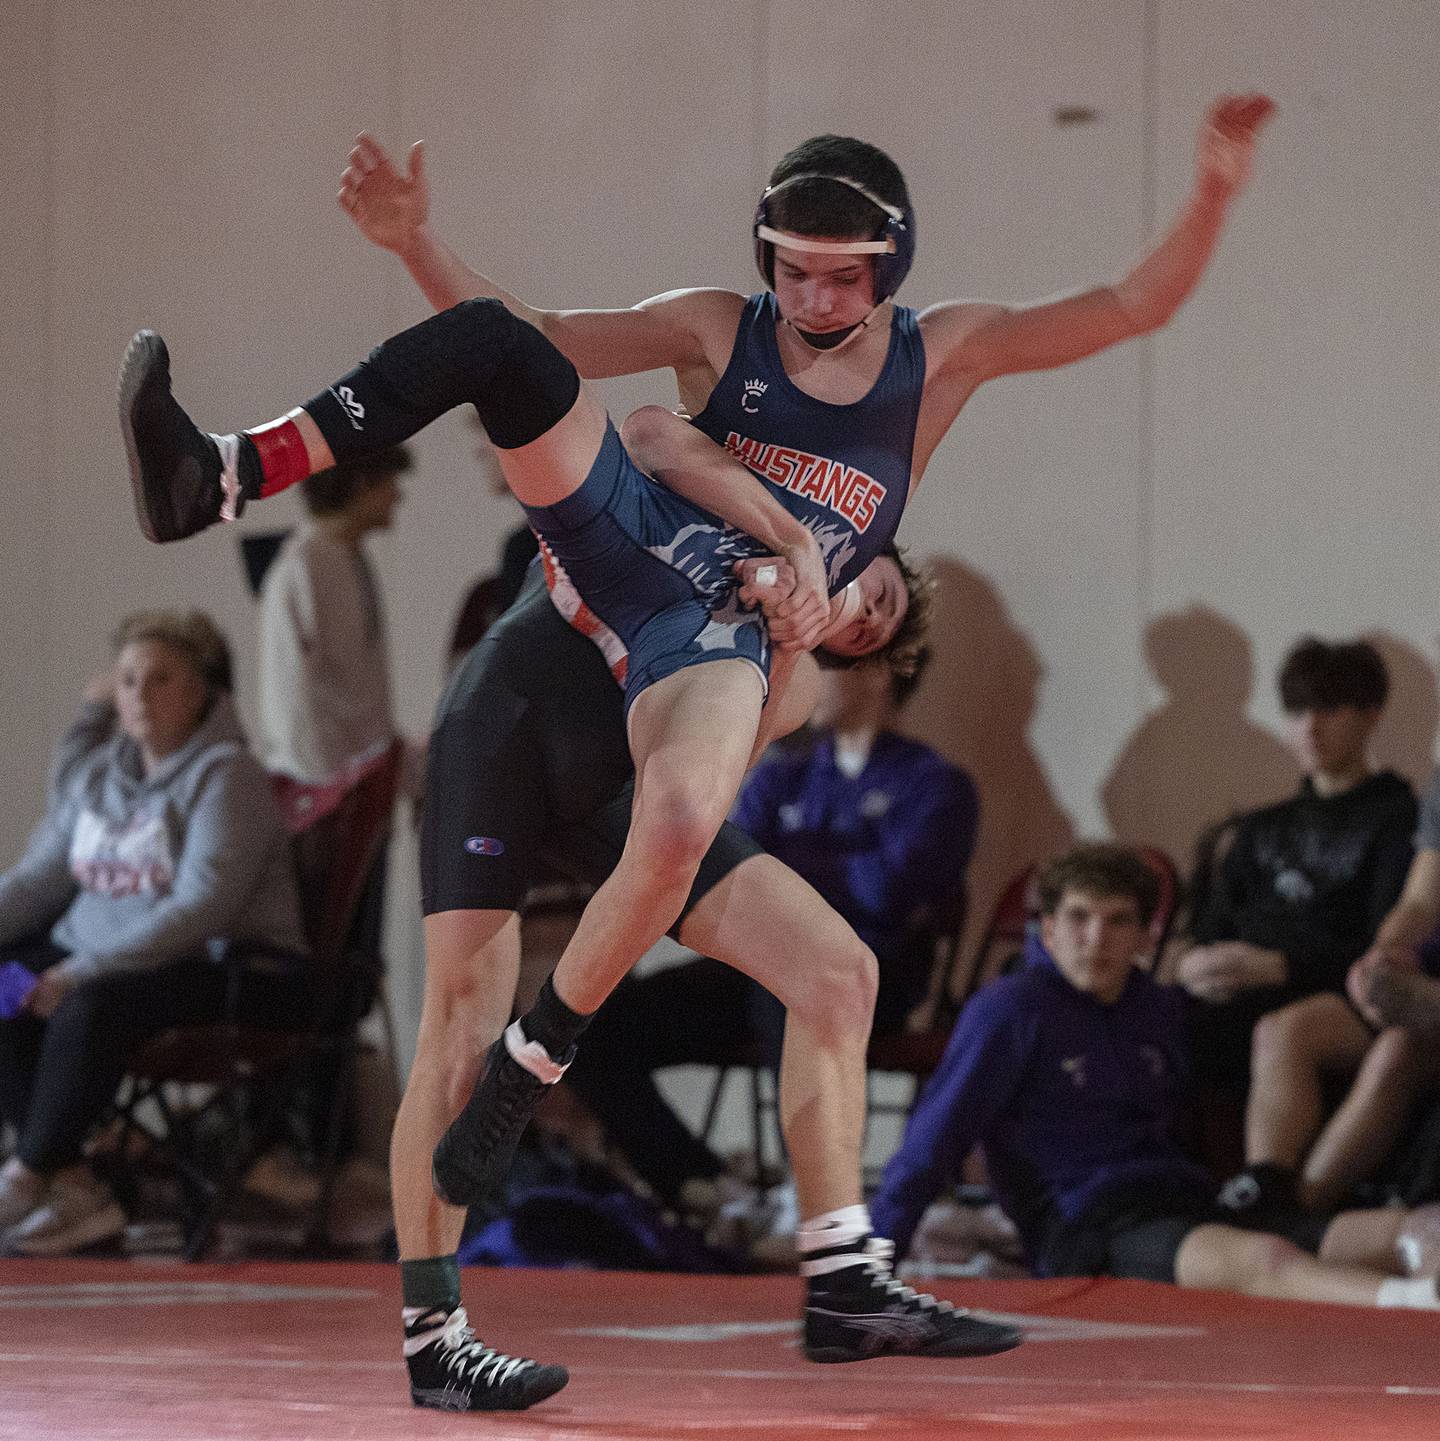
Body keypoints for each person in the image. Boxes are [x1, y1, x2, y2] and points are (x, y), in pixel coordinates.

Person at [118, 93, 1269, 1409]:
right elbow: (546, 350)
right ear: (769, 254)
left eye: (844, 278)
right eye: (796, 271)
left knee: (833, 969)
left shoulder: (901, 428)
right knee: (456, 1016)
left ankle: (838, 1275)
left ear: (891, 270)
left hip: (660, 706)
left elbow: (1126, 308)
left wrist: (1215, 199)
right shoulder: (722, 328)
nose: (817, 299)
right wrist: (415, 247)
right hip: (535, 689)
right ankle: (438, 1333)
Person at [869, 844, 1440, 1311]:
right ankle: (1416, 1303)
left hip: (1183, 1199)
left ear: (1146, 936)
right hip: (1087, 1223)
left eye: (1118, 921)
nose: (1097, 939)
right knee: (1265, 1260)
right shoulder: (1011, 1010)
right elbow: (932, 1140)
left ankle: (1419, 1272)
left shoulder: (1157, 1008)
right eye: (1078, 918)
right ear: (1046, 930)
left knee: (1413, 1227)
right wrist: (872, 1266)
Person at [564, 622, 977, 1216]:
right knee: (594, 1022)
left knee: (798, 975)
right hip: (761, 969)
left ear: (878, 673)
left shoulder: (937, 785)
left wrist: (785, 862)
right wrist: (834, 861)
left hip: (871, 974)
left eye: (823, 663)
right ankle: (702, 1184)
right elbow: (723, 868)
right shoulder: (785, 773)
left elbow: (884, 892)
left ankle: (805, 1194)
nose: (803, 679)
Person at [0, 610, 309, 1255]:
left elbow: (201, 907)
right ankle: (78, 1187)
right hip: (108, 962)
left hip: (227, 968)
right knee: (5, 986)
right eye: (128, 679)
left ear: (203, 693)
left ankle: (27, 1176)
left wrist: (80, 969)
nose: (139, 695)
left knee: (87, 1004)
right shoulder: (97, 778)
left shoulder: (229, 776)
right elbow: (35, 884)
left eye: (161, 679)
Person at [1175, 638, 1418, 1212]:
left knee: (1284, 1031)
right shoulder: (1262, 827)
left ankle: (1268, 1193)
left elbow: (1386, 941)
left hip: (1342, 996)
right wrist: (1193, 965)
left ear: (1370, 714)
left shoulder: (1399, 817)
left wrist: (1278, 964)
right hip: (1240, 993)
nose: (1310, 728)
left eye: (1330, 710)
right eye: (1297, 712)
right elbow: (1205, 929)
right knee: (1139, 1017)